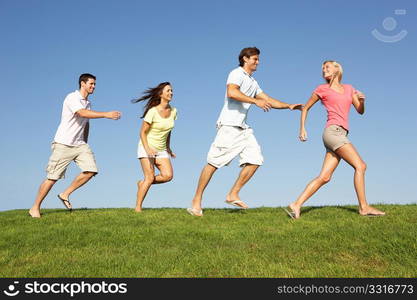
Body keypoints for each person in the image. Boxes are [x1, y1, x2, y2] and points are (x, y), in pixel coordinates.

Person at [187, 47, 302, 216]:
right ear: (245, 59)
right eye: (255, 59)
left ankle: (233, 193)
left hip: (243, 129)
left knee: (255, 159)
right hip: (228, 126)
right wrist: (255, 101)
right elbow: (232, 92)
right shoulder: (236, 74)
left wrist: (289, 106)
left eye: (258, 59)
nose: (258, 62)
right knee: (213, 163)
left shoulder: (253, 82)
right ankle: (196, 201)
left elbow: (267, 99)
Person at [285, 60, 385, 219]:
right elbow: (305, 108)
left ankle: (296, 204)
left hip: (341, 134)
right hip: (333, 132)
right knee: (361, 166)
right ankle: (364, 207)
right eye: (323, 68)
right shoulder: (322, 89)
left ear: (337, 69)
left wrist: (362, 101)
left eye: (327, 67)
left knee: (325, 177)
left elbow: (360, 111)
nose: (324, 69)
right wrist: (302, 128)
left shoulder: (349, 88)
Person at [29, 73, 121, 218]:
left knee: (91, 170)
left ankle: (65, 194)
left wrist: (85, 141)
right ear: (82, 84)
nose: (94, 86)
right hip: (63, 143)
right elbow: (82, 113)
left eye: (95, 84)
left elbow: (86, 123)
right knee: (53, 178)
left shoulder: (88, 103)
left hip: (80, 145)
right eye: (91, 84)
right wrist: (106, 114)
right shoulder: (72, 97)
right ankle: (34, 208)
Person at [132, 82, 177, 212]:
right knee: (150, 177)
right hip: (146, 146)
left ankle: (142, 184)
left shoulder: (174, 111)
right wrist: (147, 149)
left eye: (172, 91)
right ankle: (138, 208)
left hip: (161, 149)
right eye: (168, 91)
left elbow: (168, 131)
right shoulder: (152, 111)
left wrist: (168, 148)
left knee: (168, 175)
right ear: (160, 94)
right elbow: (142, 132)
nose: (171, 93)